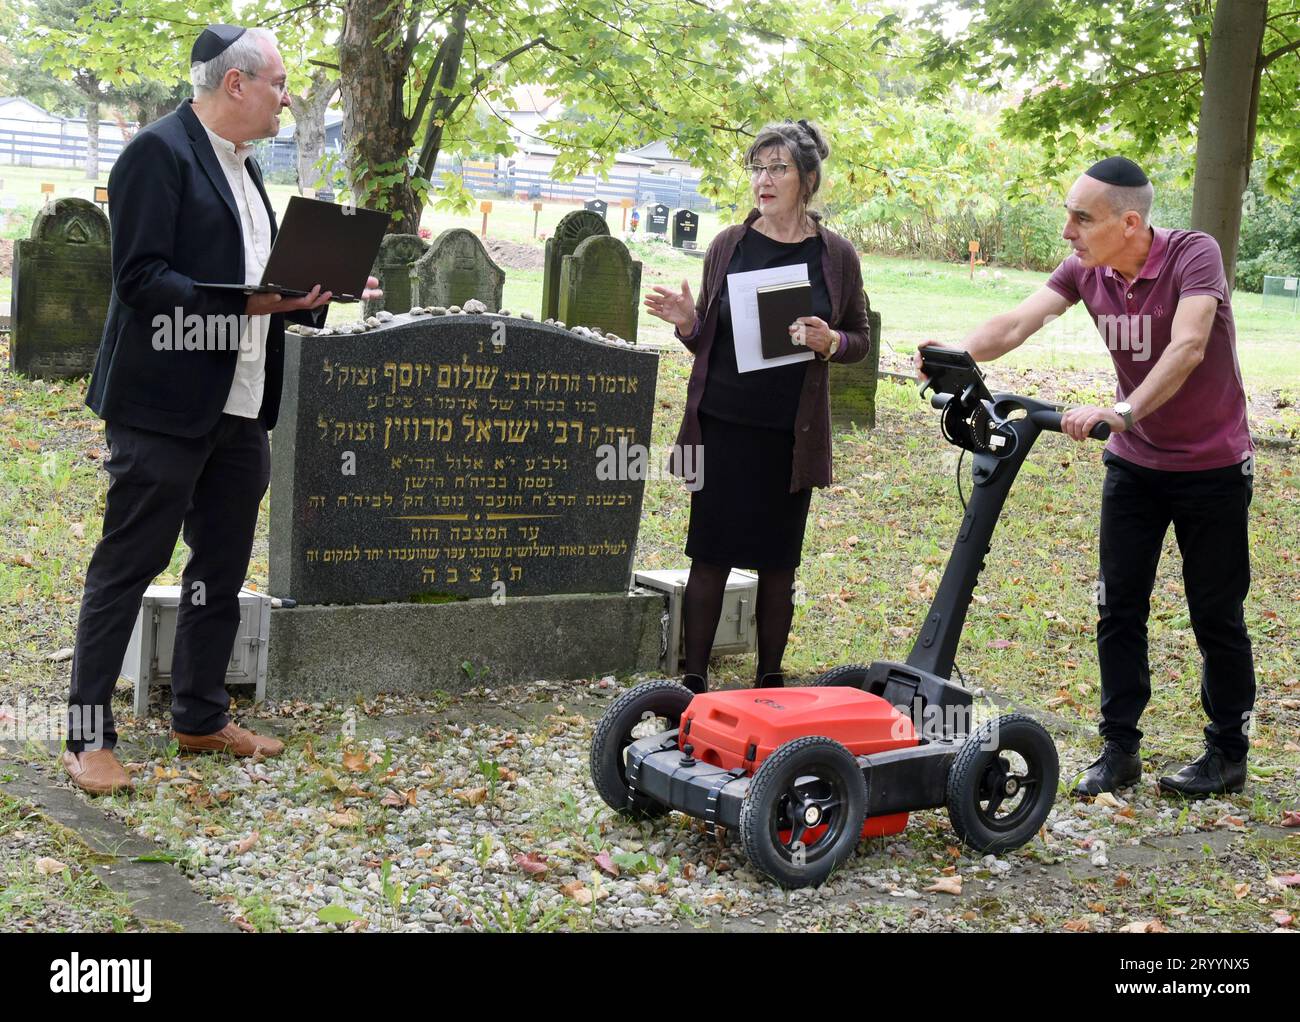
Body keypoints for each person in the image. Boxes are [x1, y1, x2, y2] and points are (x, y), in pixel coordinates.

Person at [63, 24, 381, 795]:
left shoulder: (247, 169)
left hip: (241, 404)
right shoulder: (157, 153)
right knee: (128, 565)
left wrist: (313, 298)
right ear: (235, 84)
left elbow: (259, 287)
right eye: (277, 82)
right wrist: (249, 302)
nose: (286, 96)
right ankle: (83, 736)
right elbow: (140, 279)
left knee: (222, 566)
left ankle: (200, 714)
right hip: (163, 403)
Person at [915, 156, 1255, 798]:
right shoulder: (1085, 270)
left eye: (1081, 218)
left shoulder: (1193, 256)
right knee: (1116, 606)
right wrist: (955, 355)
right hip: (1136, 465)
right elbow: (1018, 322)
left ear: (1129, 223)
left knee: (1215, 612)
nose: (1067, 231)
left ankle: (1227, 753)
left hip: (1212, 465)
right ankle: (1119, 749)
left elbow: (1187, 346)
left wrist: (1120, 410)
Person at [645, 119, 871, 692]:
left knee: (778, 565)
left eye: (778, 168)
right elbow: (708, 338)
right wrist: (687, 321)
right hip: (723, 425)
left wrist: (831, 342)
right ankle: (693, 682)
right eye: (757, 168)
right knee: (710, 555)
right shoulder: (729, 244)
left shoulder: (836, 256)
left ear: (808, 179)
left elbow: (859, 338)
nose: (763, 180)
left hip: (787, 436)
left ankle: (769, 682)